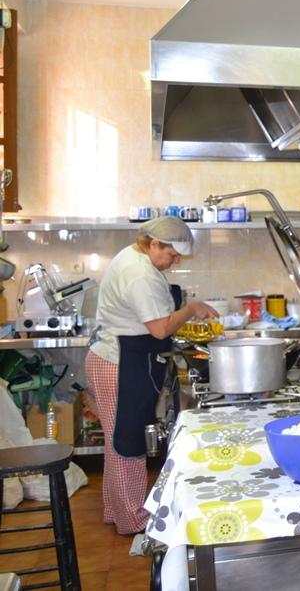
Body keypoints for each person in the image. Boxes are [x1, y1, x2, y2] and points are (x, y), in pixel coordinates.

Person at [85, 216, 218, 541]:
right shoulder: (140, 274)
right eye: (172, 255)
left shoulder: (134, 257)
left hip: (119, 359)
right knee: (127, 442)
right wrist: (191, 310)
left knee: (118, 441)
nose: (174, 261)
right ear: (154, 244)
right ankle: (132, 518)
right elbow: (159, 328)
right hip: (120, 363)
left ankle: (115, 509)